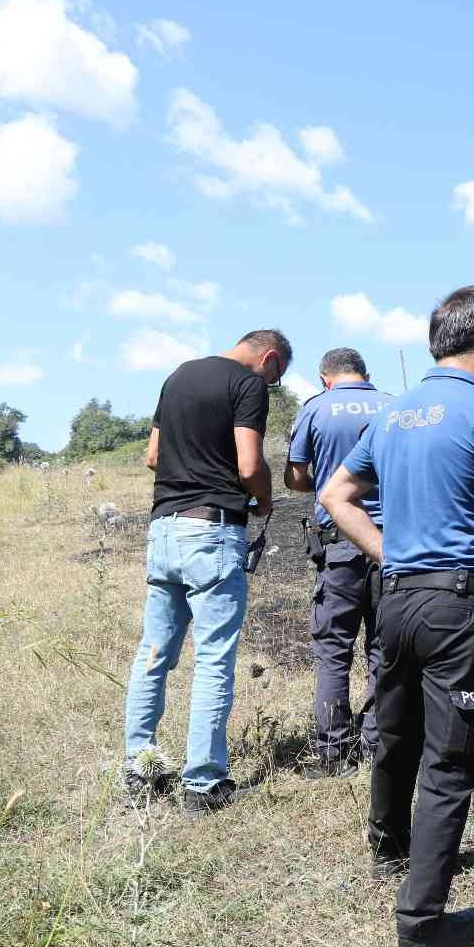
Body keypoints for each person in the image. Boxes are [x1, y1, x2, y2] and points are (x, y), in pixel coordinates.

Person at [320, 284, 474, 947]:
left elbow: (335, 495)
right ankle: (420, 928)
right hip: (459, 608)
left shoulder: (394, 415)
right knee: (452, 760)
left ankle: (388, 851)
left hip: (394, 601)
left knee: (396, 735)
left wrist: (388, 552)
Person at [121, 330, 293, 815]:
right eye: (275, 378)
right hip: (211, 532)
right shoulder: (248, 384)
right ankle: (202, 782)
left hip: (164, 530)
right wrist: (263, 500)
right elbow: (248, 463)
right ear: (269, 357)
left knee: (153, 654)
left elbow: (153, 456)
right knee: (214, 657)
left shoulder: (176, 377)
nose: (271, 385)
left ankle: (138, 769)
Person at [284, 347, 394, 777]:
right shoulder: (393, 405)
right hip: (390, 544)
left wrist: (330, 481)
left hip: (340, 544)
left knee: (333, 650)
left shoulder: (315, 409)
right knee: (383, 648)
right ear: (365, 373)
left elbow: (295, 477)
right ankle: (376, 742)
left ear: (323, 377)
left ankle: (333, 753)